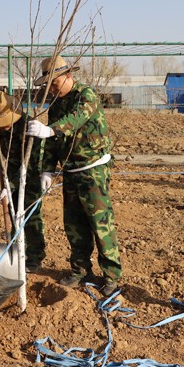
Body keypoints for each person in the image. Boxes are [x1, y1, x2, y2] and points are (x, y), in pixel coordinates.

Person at [26, 56, 122, 297]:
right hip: (70, 172)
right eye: (48, 85)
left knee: (100, 224)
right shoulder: (56, 104)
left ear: (68, 75)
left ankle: (111, 276)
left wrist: (51, 129)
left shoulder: (86, 95)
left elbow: (76, 118)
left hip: (93, 170)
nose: (52, 88)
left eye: (54, 82)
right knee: (74, 225)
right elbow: (50, 141)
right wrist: (47, 169)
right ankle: (80, 270)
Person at [0, 91, 46, 273]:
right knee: (12, 211)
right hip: (11, 172)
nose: (1, 126)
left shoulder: (29, 127)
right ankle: (16, 252)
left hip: (30, 174)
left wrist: (12, 186)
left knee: (31, 215)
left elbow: (30, 163)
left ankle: (35, 257)